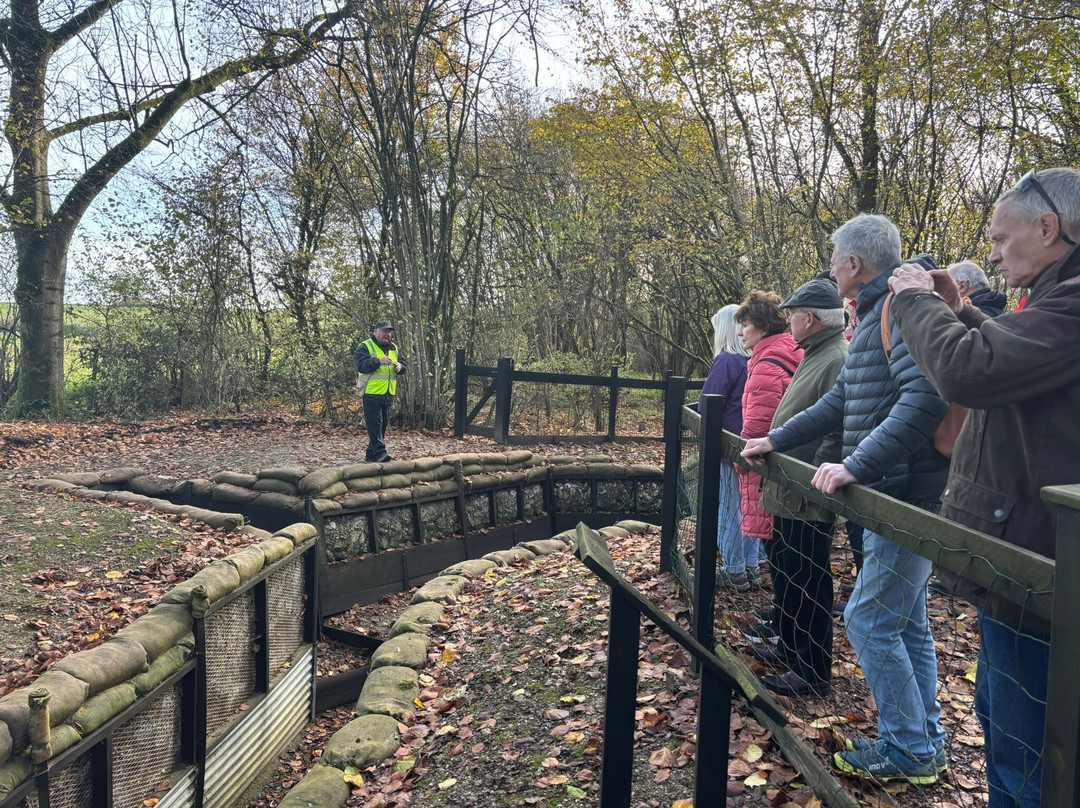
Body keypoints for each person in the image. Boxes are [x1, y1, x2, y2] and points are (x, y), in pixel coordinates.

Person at [887, 166, 1080, 808]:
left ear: (1048, 227)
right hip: (1022, 563)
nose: (992, 255)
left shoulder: (1073, 305)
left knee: (1027, 757)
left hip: (1042, 570)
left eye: (1001, 239)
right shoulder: (1053, 303)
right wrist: (957, 311)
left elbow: (973, 372)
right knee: (1002, 725)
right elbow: (1007, 359)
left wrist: (913, 298)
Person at [741, 214, 950, 785]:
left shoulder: (899, 310)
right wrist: (776, 438)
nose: (831, 268)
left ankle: (910, 747)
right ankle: (924, 737)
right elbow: (840, 401)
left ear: (853, 264)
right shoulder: (871, 318)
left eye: (834, 259)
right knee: (905, 624)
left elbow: (925, 399)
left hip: (903, 497)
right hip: (892, 493)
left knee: (868, 619)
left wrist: (857, 465)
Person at [750, 279, 847, 698]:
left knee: (810, 580)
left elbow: (834, 431)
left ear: (809, 318)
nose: (786, 320)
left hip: (806, 493)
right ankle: (791, 651)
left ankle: (811, 669)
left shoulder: (835, 359)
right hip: (791, 488)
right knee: (789, 574)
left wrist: (810, 482)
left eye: (791, 314)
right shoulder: (815, 354)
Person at [730, 291, 802, 592]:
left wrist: (739, 461)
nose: (740, 332)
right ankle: (785, 626)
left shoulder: (766, 367)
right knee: (797, 561)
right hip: (797, 472)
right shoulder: (793, 351)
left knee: (783, 559)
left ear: (761, 326)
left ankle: (786, 633)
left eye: (745, 324)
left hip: (771, 479)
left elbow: (757, 431)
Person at [700, 304, 751, 589]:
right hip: (748, 444)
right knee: (750, 507)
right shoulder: (752, 361)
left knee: (729, 509)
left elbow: (708, 400)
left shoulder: (727, 361)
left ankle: (734, 569)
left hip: (728, 447)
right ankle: (751, 564)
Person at [354, 321, 407, 462]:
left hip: (388, 393)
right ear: (375, 332)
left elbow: (404, 366)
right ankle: (380, 453)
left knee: (382, 425)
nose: (387, 335)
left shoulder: (395, 348)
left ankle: (371, 454)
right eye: (384, 331)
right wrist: (378, 361)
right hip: (371, 392)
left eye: (389, 332)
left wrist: (400, 367)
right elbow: (361, 366)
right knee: (375, 424)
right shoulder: (365, 347)